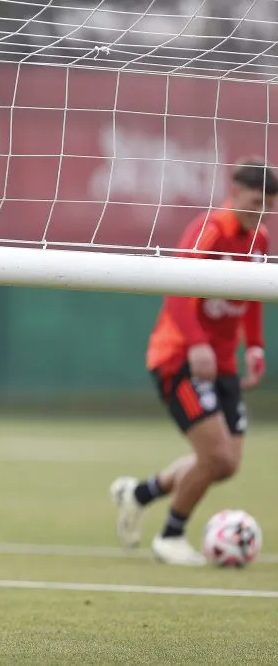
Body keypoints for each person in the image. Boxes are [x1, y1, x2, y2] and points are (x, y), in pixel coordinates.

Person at [110, 159, 274, 566]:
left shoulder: (260, 238)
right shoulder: (210, 230)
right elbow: (176, 290)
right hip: (179, 357)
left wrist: (254, 346)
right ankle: (171, 536)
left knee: (227, 464)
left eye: (268, 206)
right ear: (234, 192)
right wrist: (197, 344)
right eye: (255, 203)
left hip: (222, 364)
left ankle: (140, 493)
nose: (260, 213)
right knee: (216, 456)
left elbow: (253, 295)